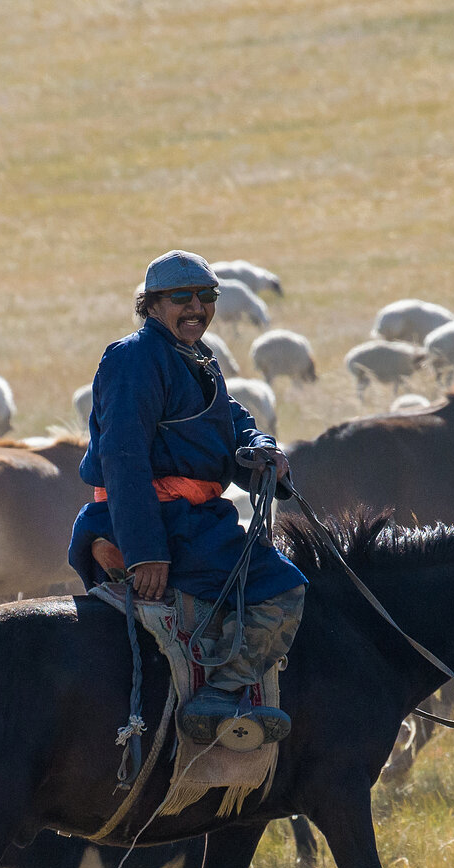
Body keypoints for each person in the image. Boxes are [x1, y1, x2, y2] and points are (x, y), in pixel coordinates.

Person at [68, 250, 307, 745]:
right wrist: (146, 552)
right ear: (152, 304)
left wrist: (262, 448)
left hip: (195, 516)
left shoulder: (196, 357)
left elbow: (232, 419)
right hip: (157, 521)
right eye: (182, 297)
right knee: (284, 590)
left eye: (207, 296)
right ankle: (220, 694)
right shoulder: (133, 357)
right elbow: (123, 458)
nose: (197, 306)